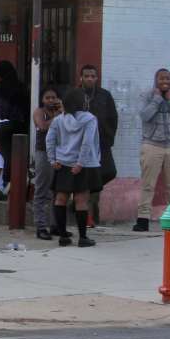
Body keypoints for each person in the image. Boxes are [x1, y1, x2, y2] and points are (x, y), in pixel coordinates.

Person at [134, 68, 170, 232]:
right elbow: (144, 115)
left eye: (168, 79)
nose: (165, 81)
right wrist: (158, 99)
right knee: (147, 184)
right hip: (152, 144)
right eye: (161, 79)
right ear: (155, 80)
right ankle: (143, 219)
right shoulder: (147, 96)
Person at [47, 87, 101, 247]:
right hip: (82, 165)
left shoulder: (58, 120)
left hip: (62, 162)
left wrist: (52, 159)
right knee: (81, 199)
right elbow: (87, 142)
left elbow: (49, 139)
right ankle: (83, 237)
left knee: (60, 198)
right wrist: (80, 163)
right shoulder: (90, 119)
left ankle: (63, 236)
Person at [79, 65, 119, 227]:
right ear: (80, 78)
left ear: (96, 78)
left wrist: (109, 138)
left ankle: (85, 205)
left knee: (108, 172)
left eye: (92, 76)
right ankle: (89, 218)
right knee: (87, 178)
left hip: (102, 143)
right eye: (86, 76)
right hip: (81, 144)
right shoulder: (75, 95)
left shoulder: (104, 95)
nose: (90, 79)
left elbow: (113, 118)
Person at [32, 87, 63, 241]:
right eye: (47, 97)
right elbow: (43, 126)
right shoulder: (39, 112)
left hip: (60, 154)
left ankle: (55, 225)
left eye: (53, 97)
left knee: (57, 192)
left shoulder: (62, 112)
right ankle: (41, 226)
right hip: (44, 153)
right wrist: (57, 115)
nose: (51, 100)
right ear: (42, 100)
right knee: (42, 190)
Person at [0, 61, 30, 168]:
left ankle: (9, 180)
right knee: (20, 154)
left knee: (7, 154)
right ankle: (20, 178)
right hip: (20, 123)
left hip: (3, 124)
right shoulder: (21, 86)